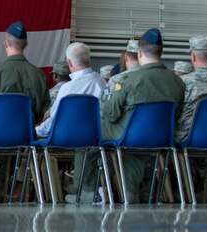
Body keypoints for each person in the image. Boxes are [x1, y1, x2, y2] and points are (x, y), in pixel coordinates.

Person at [73, 28, 184, 204]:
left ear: (139, 53)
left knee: (87, 133)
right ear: (161, 52)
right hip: (161, 136)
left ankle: (85, 192)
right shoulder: (178, 82)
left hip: (128, 133)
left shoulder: (127, 80)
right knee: (137, 146)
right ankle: (129, 191)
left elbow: (111, 113)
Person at [0, 21, 48, 122]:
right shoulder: (39, 75)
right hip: (28, 134)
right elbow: (45, 110)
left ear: (5, 43)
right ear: (26, 45)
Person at [36, 43, 104, 139]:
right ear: (88, 59)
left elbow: (55, 120)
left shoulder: (67, 88)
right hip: (95, 137)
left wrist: (37, 130)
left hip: (65, 137)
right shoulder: (101, 81)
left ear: (70, 63)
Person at [103, 39, 140, 106]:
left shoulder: (115, 80)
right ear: (141, 56)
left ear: (125, 56)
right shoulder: (154, 79)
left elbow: (103, 104)